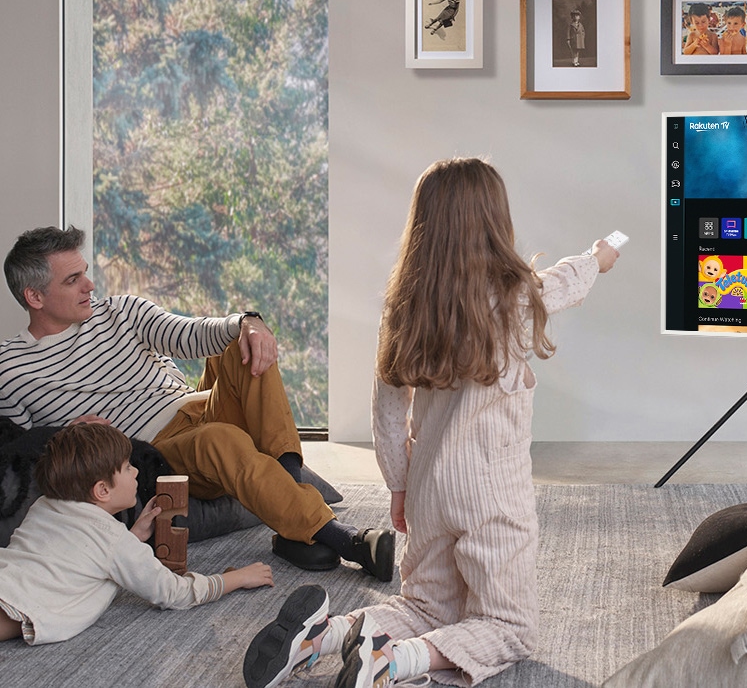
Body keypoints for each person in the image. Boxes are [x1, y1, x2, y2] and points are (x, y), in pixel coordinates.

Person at [242, 157, 621, 688]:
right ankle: (392, 663)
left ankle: (323, 636)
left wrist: (399, 487)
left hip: (427, 488)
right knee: (509, 627)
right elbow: (566, 281)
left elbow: (387, 413)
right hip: (492, 495)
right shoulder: (514, 297)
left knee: (425, 606)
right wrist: (599, 255)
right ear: (494, 222)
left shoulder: (403, 310)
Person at [0, 226, 394, 578]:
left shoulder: (120, 311)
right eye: (73, 279)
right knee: (221, 440)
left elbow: (195, 334)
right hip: (159, 447)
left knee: (239, 344)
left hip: (198, 403)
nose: (89, 284)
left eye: (85, 272)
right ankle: (347, 541)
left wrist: (249, 322)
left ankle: (292, 500)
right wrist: (64, 434)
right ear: (34, 295)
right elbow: (17, 449)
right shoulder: (10, 368)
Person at [0, 422, 273, 645]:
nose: (137, 472)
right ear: (102, 490)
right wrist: (234, 578)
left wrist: (133, 536)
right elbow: (174, 592)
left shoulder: (44, 506)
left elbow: (77, 555)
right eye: (128, 467)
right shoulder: (113, 540)